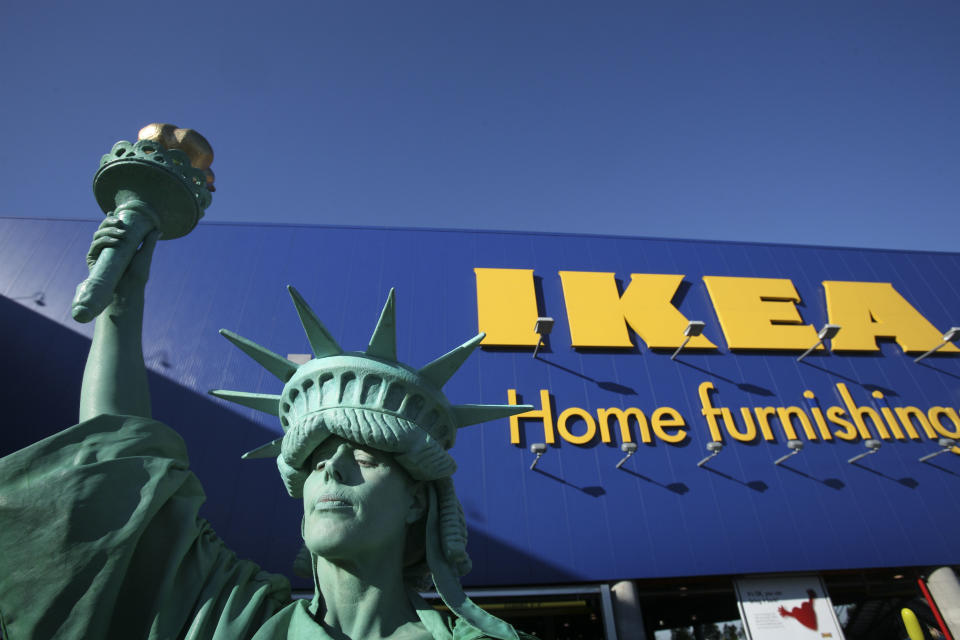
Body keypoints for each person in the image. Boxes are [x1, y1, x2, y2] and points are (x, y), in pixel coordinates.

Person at [0, 217, 534, 640]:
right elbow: (116, 473)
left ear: (419, 500)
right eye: (317, 460)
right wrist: (122, 301)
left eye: (367, 458)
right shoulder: (231, 617)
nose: (332, 469)